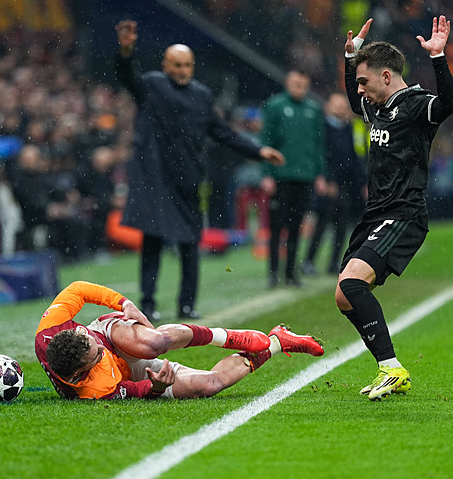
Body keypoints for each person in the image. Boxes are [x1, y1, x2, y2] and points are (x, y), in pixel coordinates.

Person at [114, 20, 284, 321]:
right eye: (177, 65)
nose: (182, 70)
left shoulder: (202, 95)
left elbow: (222, 132)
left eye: (187, 65)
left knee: (190, 243)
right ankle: (148, 305)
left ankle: (187, 305)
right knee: (152, 242)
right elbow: (127, 77)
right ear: (166, 66)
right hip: (155, 177)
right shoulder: (152, 85)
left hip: (188, 177)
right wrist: (126, 52)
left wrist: (257, 151)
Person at [336, 16, 453, 400]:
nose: (359, 90)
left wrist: (438, 57)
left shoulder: (414, 105)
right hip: (376, 213)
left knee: (353, 283)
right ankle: (388, 368)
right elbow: (354, 97)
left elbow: (449, 104)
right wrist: (351, 58)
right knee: (344, 295)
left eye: (364, 82)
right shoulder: (376, 106)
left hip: (404, 213)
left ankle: (392, 368)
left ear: (386, 76)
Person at [35, 281, 324, 400]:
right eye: (95, 355)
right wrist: (156, 386)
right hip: (126, 371)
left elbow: (78, 289)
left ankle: (224, 336)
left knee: (155, 343)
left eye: (87, 339)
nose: (98, 350)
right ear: (79, 372)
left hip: (111, 334)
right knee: (210, 385)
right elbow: (134, 390)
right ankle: (277, 342)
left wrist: (124, 304)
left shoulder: (52, 328)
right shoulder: (95, 390)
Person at [260, 70, 327, 288]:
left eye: (303, 85)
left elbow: (319, 144)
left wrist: (320, 174)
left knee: (297, 226)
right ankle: (273, 272)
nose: (300, 88)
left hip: (305, 176)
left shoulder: (313, 109)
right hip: (281, 176)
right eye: (296, 84)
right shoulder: (275, 106)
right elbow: (266, 140)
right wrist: (267, 174)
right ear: (288, 84)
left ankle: (290, 273)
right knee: (276, 225)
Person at [301, 92, 366, 276]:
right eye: (337, 105)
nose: (341, 108)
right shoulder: (322, 128)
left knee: (342, 225)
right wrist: (326, 178)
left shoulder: (351, 129)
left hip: (347, 185)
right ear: (328, 107)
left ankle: (335, 262)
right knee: (322, 223)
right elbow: (319, 155)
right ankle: (308, 261)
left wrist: (362, 182)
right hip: (329, 184)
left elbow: (356, 157)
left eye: (343, 105)